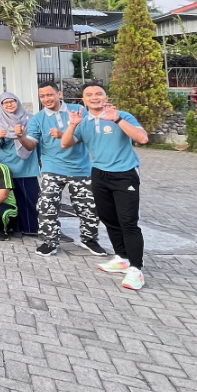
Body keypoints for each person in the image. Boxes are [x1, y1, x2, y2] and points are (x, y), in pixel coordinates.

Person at [62, 84, 150, 291]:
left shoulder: (122, 115)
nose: (94, 97)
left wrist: (117, 119)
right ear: (83, 99)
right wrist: (72, 125)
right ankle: (122, 257)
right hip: (99, 174)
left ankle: (136, 268)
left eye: (98, 93)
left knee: (128, 221)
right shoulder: (84, 122)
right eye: (89, 95)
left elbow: (143, 138)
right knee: (108, 218)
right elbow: (65, 143)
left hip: (125, 174)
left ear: (105, 96)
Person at [19, 84, 105, 258]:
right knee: (46, 204)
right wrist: (20, 136)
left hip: (80, 167)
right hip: (52, 166)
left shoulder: (78, 110)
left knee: (89, 206)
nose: (46, 99)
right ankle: (50, 241)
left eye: (49, 94)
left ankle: (89, 239)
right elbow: (31, 145)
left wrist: (63, 133)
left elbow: (87, 135)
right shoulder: (37, 119)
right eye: (42, 96)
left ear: (59, 93)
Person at [0, 92, 41, 236]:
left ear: (17, 101)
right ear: (1, 105)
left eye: (11, 101)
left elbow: (37, 140)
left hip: (27, 163)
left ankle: (32, 228)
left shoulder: (30, 118)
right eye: (5, 103)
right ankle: (16, 227)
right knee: (12, 199)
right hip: (8, 164)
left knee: (30, 198)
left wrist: (40, 158)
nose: (9, 105)